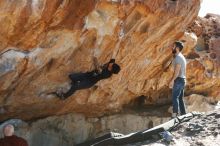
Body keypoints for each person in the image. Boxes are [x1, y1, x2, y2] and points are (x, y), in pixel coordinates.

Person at [53, 58, 121, 100]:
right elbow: (112, 60)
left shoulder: (106, 74)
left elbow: (98, 68)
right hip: (86, 75)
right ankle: (75, 82)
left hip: (89, 82)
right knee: (71, 76)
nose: (110, 64)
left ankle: (64, 97)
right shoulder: (111, 65)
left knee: (75, 87)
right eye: (112, 64)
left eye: (111, 65)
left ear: (111, 69)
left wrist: (95, 60)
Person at [169, 41, 187, 118]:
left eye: (173, 46)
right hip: (182, 79)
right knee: (180, 98)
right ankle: (183, 114)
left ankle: (175, 115)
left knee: (175, 97)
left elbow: (177, 72)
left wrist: (172, 81)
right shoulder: (180, 56)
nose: (172, 47)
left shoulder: (178, 58)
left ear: (177, 48)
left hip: (179, 80)